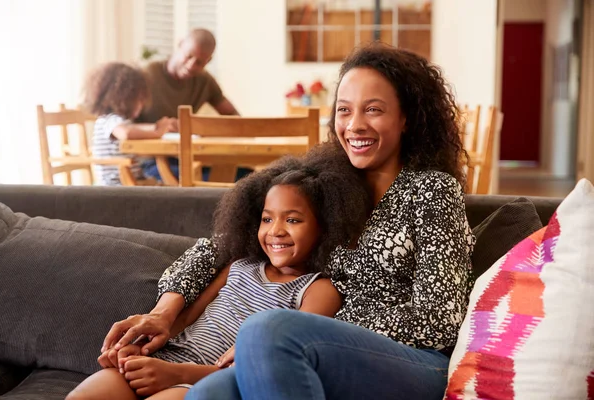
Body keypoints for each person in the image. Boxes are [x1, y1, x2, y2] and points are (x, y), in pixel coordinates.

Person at [102, 42, 475, 400]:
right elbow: (219, 246)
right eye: (344, 110)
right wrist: (163, 314)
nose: (355, 125)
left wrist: (307, 331)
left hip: (411, 364)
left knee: (266, 329)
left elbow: (440, 317)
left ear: (406, 117)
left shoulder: (432, 190)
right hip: (304, 349)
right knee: (211, 391)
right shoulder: (325, 182)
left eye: (373, 110)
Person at [67, 143, 371, 400]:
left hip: (205, 378)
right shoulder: (238, 265)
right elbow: (186, 318)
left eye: (292, 220)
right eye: (267, 219)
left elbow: (280, 360)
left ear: (326, 228)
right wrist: (138, 349)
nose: (275, 231)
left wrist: (175, 374)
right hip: (165, 358)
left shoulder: (318, 289)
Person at [137, 28, 240, 182]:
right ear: (180, 45)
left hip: (188, 160)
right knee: (221, 182)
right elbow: (121, 124)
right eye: (188, 56)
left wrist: (203, 128)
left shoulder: (205, 82)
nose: (192, 65)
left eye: (199, 62)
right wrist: (159, 128)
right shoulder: (147, 76)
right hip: (152, 161)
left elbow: (234, 118)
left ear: (208, 61)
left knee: (246, 177)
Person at [84, 62, 177, 186]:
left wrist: (155, 127)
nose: (143, 104)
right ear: (124, 98)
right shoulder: (110, 120)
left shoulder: (116, 120)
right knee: (169, 187)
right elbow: (126, 133)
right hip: (118, 182)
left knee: (167, 186)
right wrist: (157, 133)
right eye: (139, 99)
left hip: (132, 178)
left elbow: (131, 128)